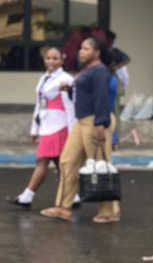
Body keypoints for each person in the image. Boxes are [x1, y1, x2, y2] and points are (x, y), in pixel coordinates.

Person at [41, 35, 121, 224]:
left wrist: (100, 124)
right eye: (81, 48)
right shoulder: (87, 70)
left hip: (96, 120)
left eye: (86, 48)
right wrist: (68, 89)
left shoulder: (100, 70)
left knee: (100, 165)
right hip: (82, 120)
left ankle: (109, 211)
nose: (81, 51)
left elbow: (101, 97)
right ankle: (63, 206)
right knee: (67, 161)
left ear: (97, 52)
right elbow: (84, 94)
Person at [6, 44, 75, 208]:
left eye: (55, 58)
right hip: (46, 124)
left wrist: (73, 130)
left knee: (42, 160)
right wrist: (35, 129)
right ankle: (74, 195)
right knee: (59, 163)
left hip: (59, 125)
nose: (51, 61)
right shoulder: (43, 78)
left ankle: (27, 196)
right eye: (48, 58)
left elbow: (71, 106)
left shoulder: (66, 79)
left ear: (62, 60)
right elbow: (39, 104)